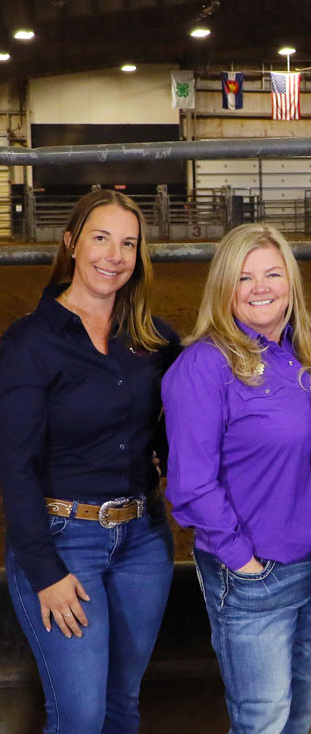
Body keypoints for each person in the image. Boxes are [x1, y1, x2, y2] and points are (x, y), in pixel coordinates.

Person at [0, 190, 179, 732]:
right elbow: (16, 464)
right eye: (101, 238)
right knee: (78, 716)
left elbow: (177, 438)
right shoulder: (31, 343)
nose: (114, 255)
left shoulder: (155, 338)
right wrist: (45, 572)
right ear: (72, 243)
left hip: (144, 539)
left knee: (122, 705)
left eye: (128, 243)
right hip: (64, 540)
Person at [161, 223, 311, 733]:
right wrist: (243, 562)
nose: (261, 287)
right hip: (257, 569)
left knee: (301, 714)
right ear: (224, 287)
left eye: (273, 272)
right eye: (244, 278)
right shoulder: (203, 366)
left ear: (292, 279)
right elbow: (190, 484)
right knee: (262, 722)